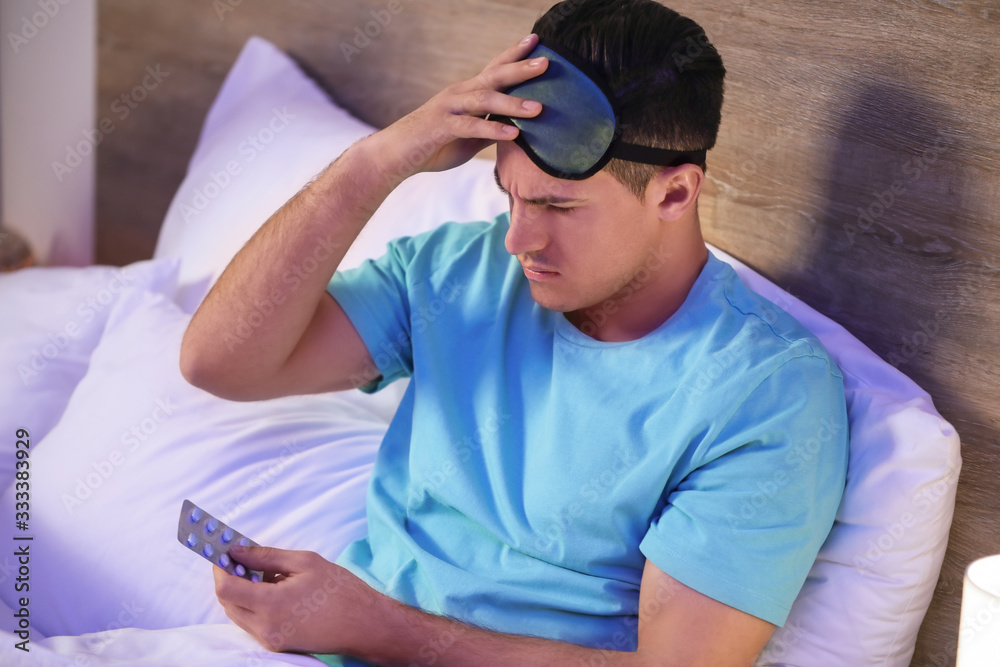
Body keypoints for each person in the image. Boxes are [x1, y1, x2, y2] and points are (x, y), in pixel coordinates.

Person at [180, 1, 849, 664]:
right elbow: (218, 363)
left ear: (673, 194)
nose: (518, 239)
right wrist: (374, 163)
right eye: (509, 194)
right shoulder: (460, 272)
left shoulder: (765, 394)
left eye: (557, 205)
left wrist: (372, 626)